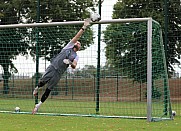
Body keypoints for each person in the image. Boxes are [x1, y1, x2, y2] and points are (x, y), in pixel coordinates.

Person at [32, 18, 91, 114]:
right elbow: (77, 36)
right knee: (43, 82)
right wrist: (84, 27)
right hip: (53, 67)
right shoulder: (68, 46)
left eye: (79, 44)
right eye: (77, 42)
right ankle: (37, 88)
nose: (78, 43)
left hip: (58, 73)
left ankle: (38, 106)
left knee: (49, 89)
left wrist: (70, 63)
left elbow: (74, 66)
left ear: (79, 48)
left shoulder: (76, 56)